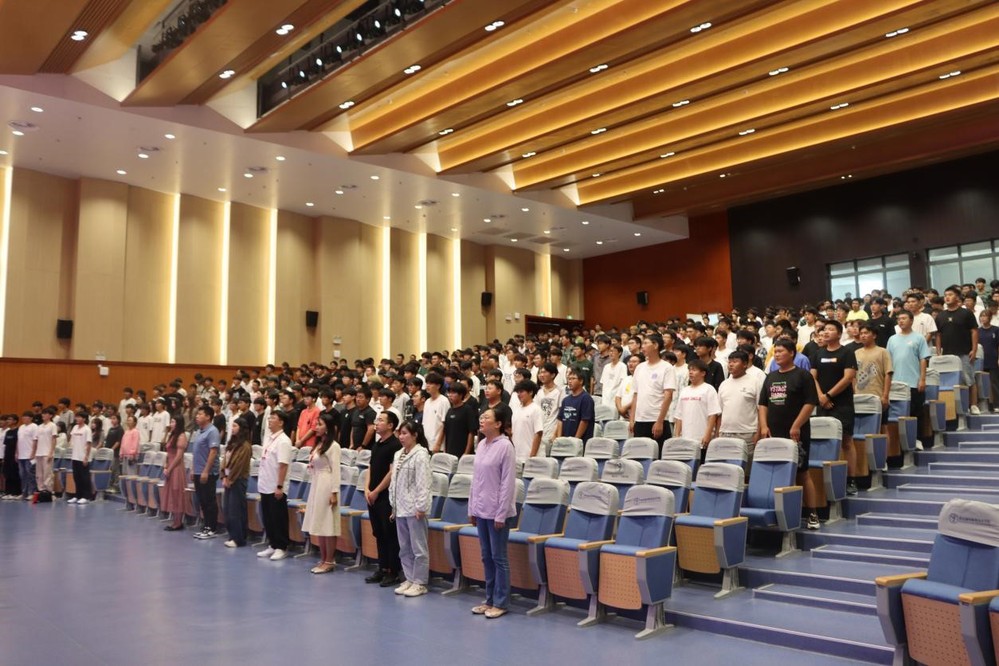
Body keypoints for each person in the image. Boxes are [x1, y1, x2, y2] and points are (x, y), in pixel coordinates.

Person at [759, 340, 820, 529]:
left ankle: (812, 513)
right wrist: (763, 426)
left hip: (797, 433)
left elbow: (810, 403)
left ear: (792, 353)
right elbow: (763, 404)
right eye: (775, 351)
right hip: (774, 432)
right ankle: (783, 514)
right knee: (779, 474)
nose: (776, 354)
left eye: (780, 351)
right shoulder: (770, 377)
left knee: (802, 473)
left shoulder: (803, 375)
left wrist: (796, 425)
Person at [468, 405, 517, 619]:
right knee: (486, 556)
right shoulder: (481, 444)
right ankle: (489, 599)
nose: (482, 419)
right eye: (481, 416)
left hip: (497, 512)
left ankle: (501, 602)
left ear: (498, 424)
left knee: (499, 558)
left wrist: (501, 513)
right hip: (481, 510)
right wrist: (472, 507)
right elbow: (476, 480)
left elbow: (507, 483)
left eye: (486, 417)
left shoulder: (505, 446)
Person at [810, 320, 859, 495]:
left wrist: (829, 395)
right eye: (824, 329)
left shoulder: (847, 352)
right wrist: (821, 397)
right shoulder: (818, 353)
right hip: (823, 403)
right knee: (825, 441)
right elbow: (812, 377)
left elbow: (848, 378)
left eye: (830, 329)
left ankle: (851, 480)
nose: (826, 332)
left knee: (846, 441)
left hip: (842, 404)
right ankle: (827, 480)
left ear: (839, 334)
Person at [389, 420, 432, 597]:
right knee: (404, 547)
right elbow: (394, 482)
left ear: (415, 435)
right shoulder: (398, 454)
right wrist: (393, 505)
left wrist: (421, 507)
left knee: (418, 547)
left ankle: (420, 582)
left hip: (414, 509)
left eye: (405, 433)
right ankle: (409, 578)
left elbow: (424, 483)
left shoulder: (421, 455)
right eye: (400, 433)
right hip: (400, 507)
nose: (401, 437)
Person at [365, 412, 403, 587]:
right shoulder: (377, 444)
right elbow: (370, 467)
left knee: (390, 534)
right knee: (378, 533)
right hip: (372, 495)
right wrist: (367, 489)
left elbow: (391, 472)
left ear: (390, 425)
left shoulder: (395, 445)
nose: (377, 422)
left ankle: (393, 571)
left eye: (381, 420)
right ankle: (382, 568)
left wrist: (377, 491)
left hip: (385, 496)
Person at [302, 412, 342, 573]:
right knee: (319, 522)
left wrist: (334, 492)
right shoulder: (319, 444)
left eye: (319, 424)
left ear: (328, 427)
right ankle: (323, 558)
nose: (316, 427)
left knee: (327, 524)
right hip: (317, 483)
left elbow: (336, 471)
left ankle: (330, 560)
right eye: (316, 424)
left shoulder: (334, 446)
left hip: (327, 485)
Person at [886, 311, 932, 450]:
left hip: (913, 382)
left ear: (911, 321)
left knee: (916, 412)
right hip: (895, 383)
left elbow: (923, 359)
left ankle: (917, 439)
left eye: (904, 318)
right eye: (898, 319)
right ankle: (899, 444)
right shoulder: (892, 339)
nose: (900, 321)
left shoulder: (919, 338)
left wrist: (922, 379)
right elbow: (888, 361)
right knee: (897, 416)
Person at [936, 284, 981, 414]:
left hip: (964, 352)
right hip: (947, 354)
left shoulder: (966, 313)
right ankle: (956, 408)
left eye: (950, 295)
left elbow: (974, 331)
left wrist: (974, 349)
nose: (947, 297)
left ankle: (973, 404)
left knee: (969, 379)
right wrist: (938, 351)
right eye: (945, 295)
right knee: (950, 382)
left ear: (957, 297)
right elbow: (938, 335)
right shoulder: (940, 316)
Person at [258, 411, 295, 560]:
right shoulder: (269, 438)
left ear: (281, 422)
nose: (269, 420)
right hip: (265, 484)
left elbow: (283, 465)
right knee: (268, 517)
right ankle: (272, 544)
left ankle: (281, 547)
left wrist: (279, 486)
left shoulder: (284, 441)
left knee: (278, 518)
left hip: (276, 485)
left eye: (273, 418)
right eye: (269, 417)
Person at [716, 350, 763, 461]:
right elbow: (720, 412)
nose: (731, 364)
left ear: (745, 364)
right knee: (726, 467)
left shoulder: (755, 382)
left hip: (747, 433)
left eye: (735, 361)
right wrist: (718, 433)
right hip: (725, 433)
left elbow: (761, 409)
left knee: (745, 467)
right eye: (729, 362)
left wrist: (758, 433)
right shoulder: (724, 384)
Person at [630, 334, 676, 445]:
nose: (642, 346)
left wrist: (660, 421)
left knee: (658, 454)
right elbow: (636, 395)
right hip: (640, 420)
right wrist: (632, 420)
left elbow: (668, 396)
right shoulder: (640, 367)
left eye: (646, 343)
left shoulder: (667, 368)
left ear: (655, 345)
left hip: (657, 419)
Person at [674, 359, 721, 455]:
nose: (691, 372)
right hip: (685, 439)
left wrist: (707, 435)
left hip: (701, 438)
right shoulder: (684, 391)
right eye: (689, 370)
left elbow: (713, 415)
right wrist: (677, 435)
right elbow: (679, 416)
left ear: (703, 373)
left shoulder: (709, 389)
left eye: (694, 370)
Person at [189, 406, 221, 539]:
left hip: (208, 472)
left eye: (200, 414)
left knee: (209, 501)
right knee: (202, 500)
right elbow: (195, 452)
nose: (197, 416)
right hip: (198, 470)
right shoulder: (199, 431)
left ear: (208, 417)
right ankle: (206, 526)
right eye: (197, 414)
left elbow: (213, 452)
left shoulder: (212, 431)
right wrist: (193, 469)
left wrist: (206, 471)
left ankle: (212, 528)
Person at [221, 417, 253, 548]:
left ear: (241, 428)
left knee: (236, 510)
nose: (232, 428)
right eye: (232, 426)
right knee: (227, 509)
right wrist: (224, 476)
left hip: (238, 480)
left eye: (235, 426)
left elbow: (239, 464)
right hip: (228, 479)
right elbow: (225, 460)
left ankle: (238, 538)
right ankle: (232, 535)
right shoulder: (232, 443)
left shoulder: (245, 446)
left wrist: (230, 479)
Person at [161, 416, 189, 529]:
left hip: (176, 468)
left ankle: (178, 522)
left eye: (173, 422)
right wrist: (165, 465)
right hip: (170, 466)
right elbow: (168, 453)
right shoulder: (172, 435)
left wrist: (170, 468)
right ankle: (174, 520)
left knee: (177, 492)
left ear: (178, 423)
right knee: (171, 493)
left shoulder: (182, 436)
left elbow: (178, 456)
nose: (171, 424)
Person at [557, 371, 595, 442]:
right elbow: (560, 419)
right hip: (564, 442)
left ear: (581, 381)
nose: (570, 381)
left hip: (580, 442)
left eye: (573, 378)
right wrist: (559, 439)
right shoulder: (565, 400)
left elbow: (584, 421)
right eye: (569, 379)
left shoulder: (586, 398)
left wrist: (576, 440)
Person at [511, 380, 543, 460]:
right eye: (518, 392)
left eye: (521, 392)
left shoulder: (536, 409)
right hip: (516, 455)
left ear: (531, 392)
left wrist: (532, 456)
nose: (519, 394)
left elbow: (538, 434)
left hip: (530, 456)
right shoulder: (516, 410)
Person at [67, 412, 93, 504]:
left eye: (79, 417)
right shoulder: (74, 427)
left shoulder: (87, 429)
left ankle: (86, 496)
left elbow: (89, 444)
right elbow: (71, 441)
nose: (77, 419)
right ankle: (77, 495)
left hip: (83, 457)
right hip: (75, 456)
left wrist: (86, 457)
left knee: (84, 478)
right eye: (76, 417)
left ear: (84, 419)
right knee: (76, 477)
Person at [33, 408, 58, 495]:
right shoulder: (39, 426)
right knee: (39, 474)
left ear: (50, 415)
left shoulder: (52, 425)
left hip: (47, 452)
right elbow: (36, 440)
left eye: (45, 413)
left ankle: (48, 491)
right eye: (43, 413)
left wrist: (51, 452)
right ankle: (41, 490)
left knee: (47, 473)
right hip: (39, 453)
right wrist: (34, 452)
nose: (43, 415)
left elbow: (54, 439)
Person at [979, 310, 999, 413]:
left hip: (993, 359)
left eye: (985, 316)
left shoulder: (996, 330)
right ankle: (985, 405)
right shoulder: (978, 331)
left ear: (990, 317)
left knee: (994, 383)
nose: (983, 318)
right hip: (981, 360)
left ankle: (997, 404)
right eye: (981, 316)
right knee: (982, 384)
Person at [16, 412, 38, 500]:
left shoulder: (34, 426)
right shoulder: (21, 427)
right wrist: (17, 452)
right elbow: (18, 441)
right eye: (23, 417)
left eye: (26, 417)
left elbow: (35, 440)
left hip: (29, 455)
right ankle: (24, 492)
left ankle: (31, 492)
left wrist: (33, 453)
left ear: (31, 418)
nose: (24, 419)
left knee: (30, 474)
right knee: (22, 475)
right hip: (21, 455)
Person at [120, 415, 140, 483]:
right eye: (128, 420)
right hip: (125, 455)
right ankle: (126, 487)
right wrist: (121, 453)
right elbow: (123, 442)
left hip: (131, 456)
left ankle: (132, 488)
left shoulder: (135, 431)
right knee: (124, 473)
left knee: (131, 473)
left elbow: (135, 443)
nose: (128, 422)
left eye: (130, 420)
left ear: (134, 422)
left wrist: (132, 453)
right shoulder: (126, 431)